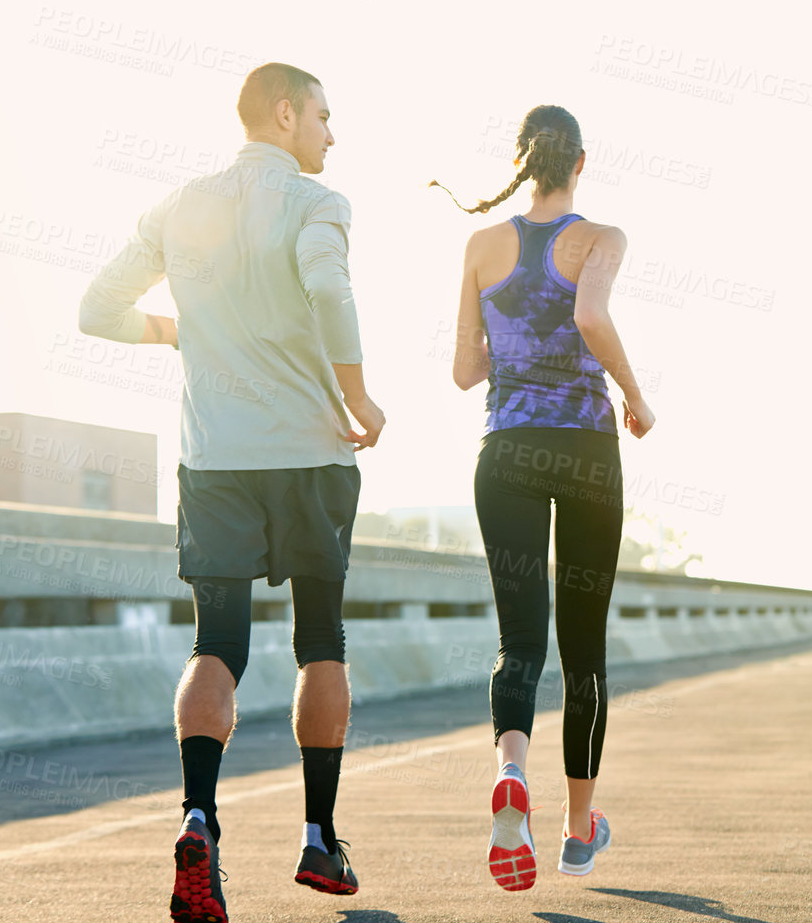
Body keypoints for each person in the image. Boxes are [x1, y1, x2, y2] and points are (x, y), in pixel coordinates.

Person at [79, 62, 385, 921]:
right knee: (321, 638)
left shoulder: (180, 206)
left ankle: (199, 817)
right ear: (285, 114)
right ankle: (320, 839)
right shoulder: (319, 204)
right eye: (325, 113)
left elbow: (97, 310)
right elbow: (328, 288)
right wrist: (358, 397)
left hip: (214, 457)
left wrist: (185, 331)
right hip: (310, 455)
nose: (333, 131)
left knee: (217, 642)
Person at [433, 104, 656, 891]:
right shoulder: (602, 238)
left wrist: (516, 345)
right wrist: (635, 394)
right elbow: (590, 314)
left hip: (505, 454)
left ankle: (511, 773)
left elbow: (464, 373)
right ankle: (576, 829)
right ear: (581, 163)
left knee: (518, 640)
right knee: (583, 650)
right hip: (586, 449)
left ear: (524, 162)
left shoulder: (482, 244)